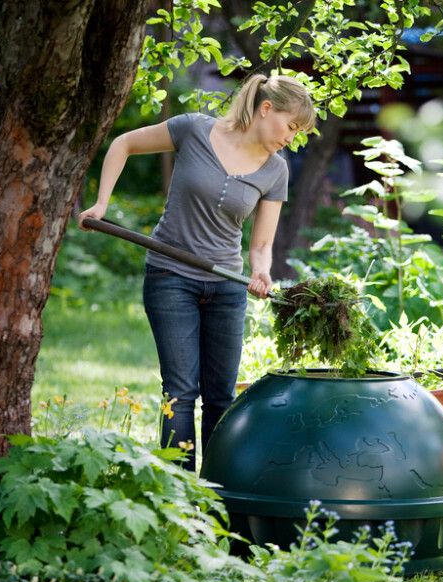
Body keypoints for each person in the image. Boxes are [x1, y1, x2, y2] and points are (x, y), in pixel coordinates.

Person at [78, 74, 315, 472]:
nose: (292, 137)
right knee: (181, 391)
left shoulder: (276, 170)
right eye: (291, 126)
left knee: (221, 395)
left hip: (226, 288)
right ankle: (181, 495)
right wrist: (102, 204)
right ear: (266, 108)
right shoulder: (194, 129)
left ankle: (217, 493)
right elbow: (124, 143)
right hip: (170, 278)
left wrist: (261, 272)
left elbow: (260, 245)